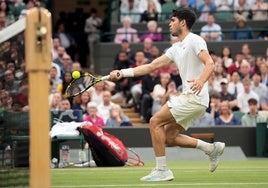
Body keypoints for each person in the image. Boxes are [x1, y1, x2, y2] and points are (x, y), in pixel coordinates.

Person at [109, 8, 225, 181]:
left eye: (172, 20)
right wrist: (123, 73)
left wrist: (201, 80)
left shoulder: (195, 40)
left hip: (194, 97)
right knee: (169, 136)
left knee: (155, 121)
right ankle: (210, 149)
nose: (169, 24)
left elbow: (209, 63)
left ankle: (162, 170)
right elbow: (150, 67)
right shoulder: (176, 48)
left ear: (182, 23)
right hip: (195, 99)